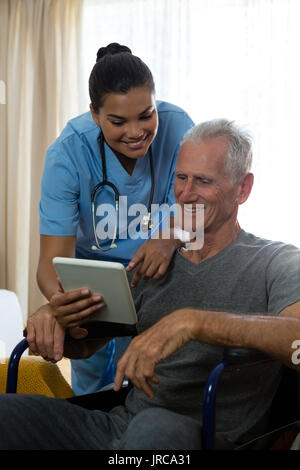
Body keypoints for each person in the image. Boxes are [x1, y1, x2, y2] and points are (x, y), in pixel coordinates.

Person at [1, 118, 300, 450]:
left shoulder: (277, 261)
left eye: (202, 180)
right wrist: (56, 320)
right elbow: (85, 346)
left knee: (156, 427)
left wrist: (194, 323)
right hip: (118, 429)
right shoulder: (154, 262)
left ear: (243, 188)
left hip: (201, 438)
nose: (186, 194)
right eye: (181, 178)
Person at [34, 42, 194, 395]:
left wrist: (170, 235)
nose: (136, 132)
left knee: (143, 382)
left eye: (146, 115)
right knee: (91, 390)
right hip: (93, 285)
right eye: (118, 122)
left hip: (157, 277)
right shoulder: (68, 152)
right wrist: (60, 300)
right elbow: (50, 262)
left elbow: (199, 205)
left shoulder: (180, 127)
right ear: (94, 114)